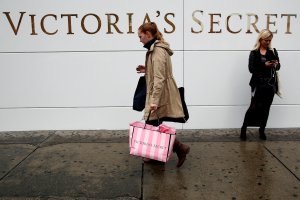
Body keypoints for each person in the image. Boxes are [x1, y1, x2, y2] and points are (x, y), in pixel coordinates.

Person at [136, 22, 190, 167]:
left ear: (148, 34)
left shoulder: (158, 51)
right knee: (153, 124)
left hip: (159, 94)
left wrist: (154, 101)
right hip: (158, 92)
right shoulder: (155, 49)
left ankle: (180, 148)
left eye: (140, 36)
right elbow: (158, 71)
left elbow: (159, 78)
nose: (139, 39)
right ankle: (157, 155)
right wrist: (147, 69)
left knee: (152, 125)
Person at [240, 29, 281, 140]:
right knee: (253, 107)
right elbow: (251, 69)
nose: (267, 42)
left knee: (266, 108)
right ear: (260, 39)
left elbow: (278, 67)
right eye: (266, 40)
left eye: (269, 40)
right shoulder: (254, 52)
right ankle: (244, 128)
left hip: (269, 85)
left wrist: (276, 64)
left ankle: (262, 130)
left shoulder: (272, 51)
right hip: (257, 85)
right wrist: (264, 65)